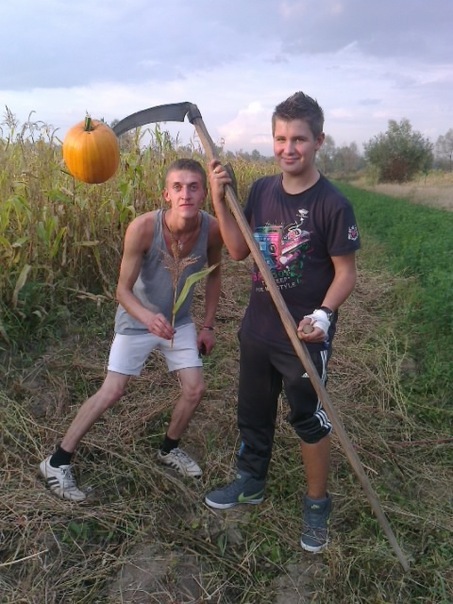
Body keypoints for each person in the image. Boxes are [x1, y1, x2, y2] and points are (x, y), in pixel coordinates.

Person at [205, 92, 360, 553]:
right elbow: (238, 251)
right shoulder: (261, 191)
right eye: (280, 138)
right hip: (258, 329)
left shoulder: (333, 204)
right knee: (253, 413)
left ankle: (317, 504)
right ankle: (251, 481)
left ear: (319, 141)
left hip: (303, 335)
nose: (288, 148)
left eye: (299, 139)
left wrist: (323, 315)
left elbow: (346, 273)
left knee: (308, 418)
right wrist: (218, 198)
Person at [40, 158, 223, 502]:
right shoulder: (143, 228)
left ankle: (168, 449)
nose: (185, 194)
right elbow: (122, 291)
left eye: (194, 187)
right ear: (166, 194)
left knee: (195, 389)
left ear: (204, 194)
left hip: (179, 322)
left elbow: (214, 275)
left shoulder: (212, 229)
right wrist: (147, 317)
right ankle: (57, 461)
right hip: (137, 319)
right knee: (112, 390)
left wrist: (209, 325)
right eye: (178, 187)